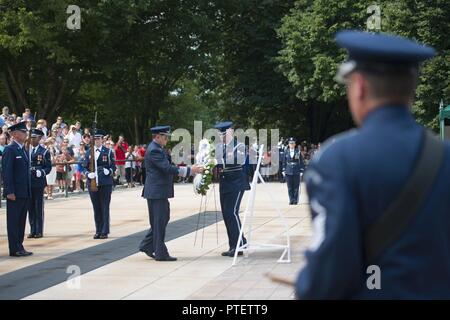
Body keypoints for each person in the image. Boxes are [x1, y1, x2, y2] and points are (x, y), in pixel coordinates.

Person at [295, 30, 450, 299]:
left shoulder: (336, 159)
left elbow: (331, 270)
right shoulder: (444, 155)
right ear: (411, 90)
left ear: (360, 86)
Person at [139, 125, 203, 261]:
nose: (166, 139)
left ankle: (147, 245)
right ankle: (160, 252)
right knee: (159, 221)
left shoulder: (157, 149)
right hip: (156, 192)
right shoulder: (154, 150)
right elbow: (167, 168)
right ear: (157, 137)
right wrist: (190, 170)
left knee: (161, 220)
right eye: (164, 137)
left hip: (158, 191)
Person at [214, 121, 250, 257]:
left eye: (223, 134)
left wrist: (218, 161)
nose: (221, 137)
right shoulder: (220, 147)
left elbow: (238, 160)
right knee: (226, 214)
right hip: (225, 183)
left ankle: (240, 244)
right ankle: (234, 245)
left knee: (232, 213)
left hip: (236, 183)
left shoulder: (239, 145)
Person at [1, 122, 32, 257]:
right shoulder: (10, 149)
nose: (26, 134)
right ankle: (14, 248)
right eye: (23, 132)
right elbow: (7, 173)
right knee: (13, 222)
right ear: (14, 134)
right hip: (15, 193)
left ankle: (19, 245)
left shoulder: (22, 149)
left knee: (21, 221)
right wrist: (9, 191)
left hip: (24, 191)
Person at [83, 129, 116, 239]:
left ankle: (104, 231)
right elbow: (84, 167)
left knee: (104, 207)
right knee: (96, 207)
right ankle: (98, 230)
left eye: (99, 138)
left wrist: (109, 171)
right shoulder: (89, 152)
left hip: (105, 182)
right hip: (93, 183)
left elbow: (113, 167)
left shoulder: (108, 152)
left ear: (102, 139)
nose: (97, 141)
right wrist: (88, 174)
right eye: (95, 139)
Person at [27, 129, 51, 238]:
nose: (32, 139)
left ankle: (39, 230)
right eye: (31, 137)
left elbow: (48, 167)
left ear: (40, 138)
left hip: (38, 182)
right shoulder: (26, 150)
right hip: (28, 182)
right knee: (30, 207)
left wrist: (41, 172)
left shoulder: (44, 151)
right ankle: (32, 230)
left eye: (34, 137)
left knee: (38, 207)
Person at [282, 137, 305, 205]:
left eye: (292, 143)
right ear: (288, 144)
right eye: (290, 143)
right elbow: (284, 161)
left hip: (296, 170)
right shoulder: (286, 151)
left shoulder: (297, 151)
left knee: (296, 187)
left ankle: (295, 200)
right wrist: (283, 169)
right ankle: (291, 200)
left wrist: (301, 170)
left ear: (295, 144)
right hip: (288, 170)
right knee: (289, 187)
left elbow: (300, 161)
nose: (291, 144)